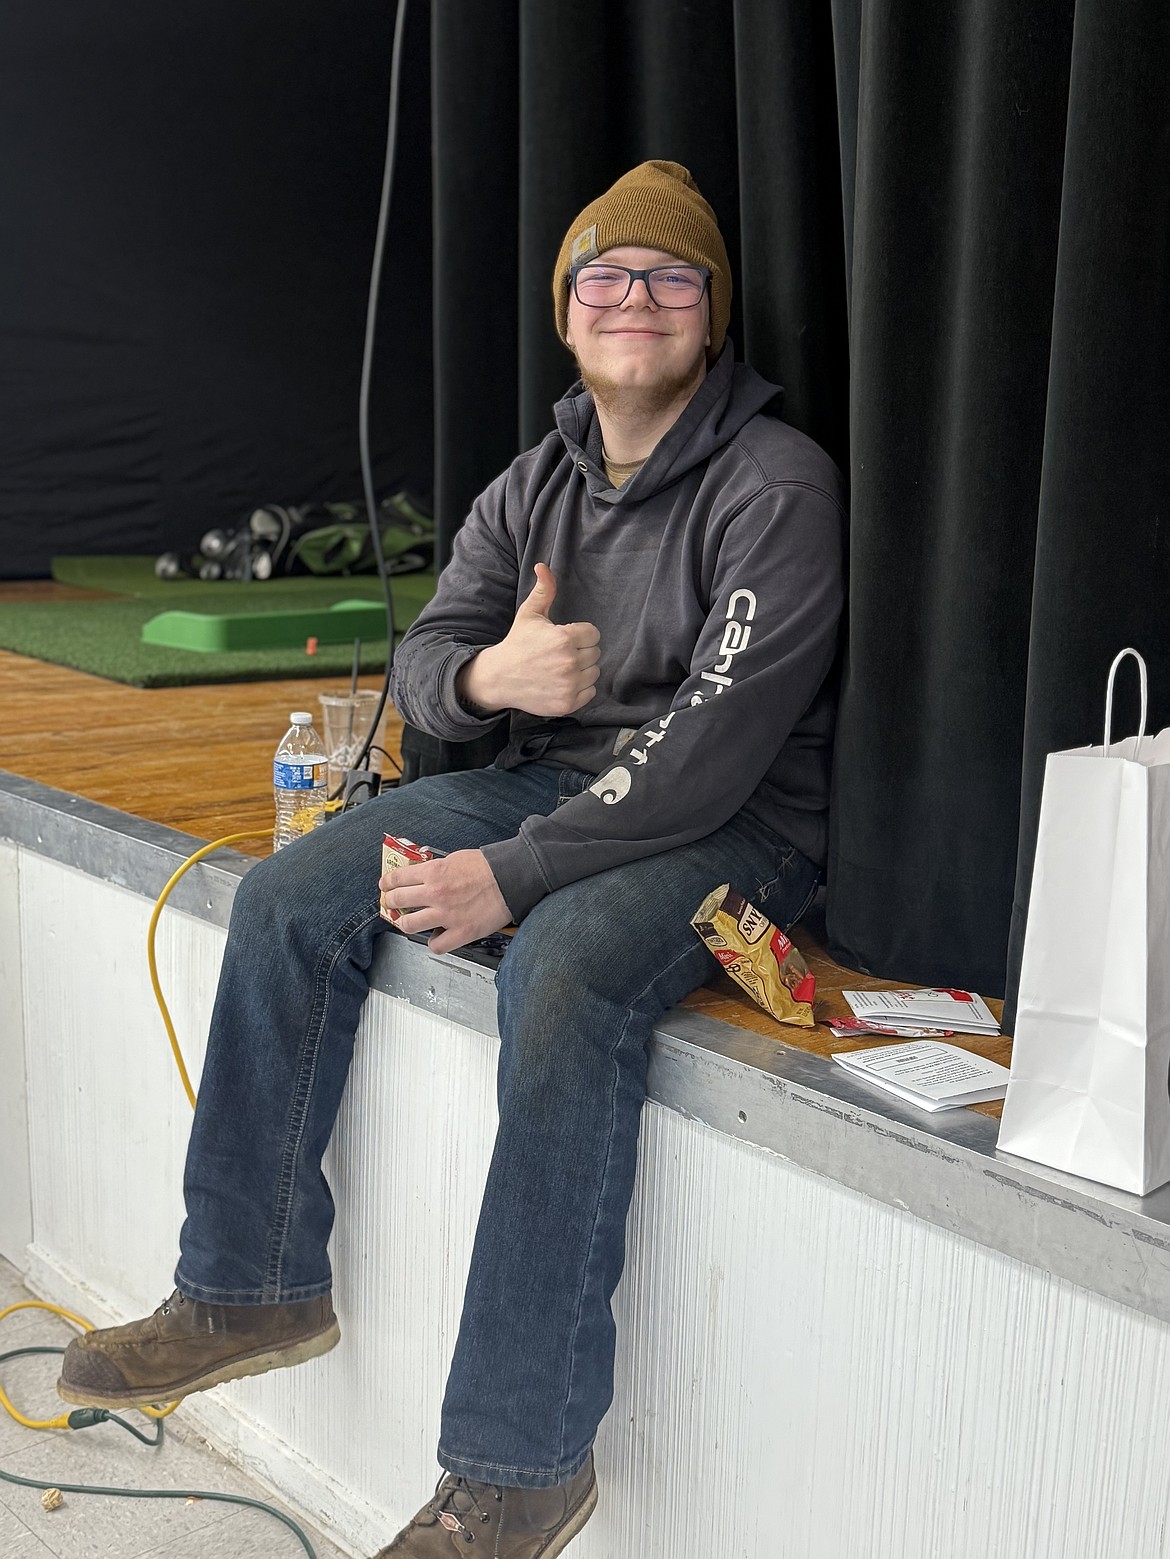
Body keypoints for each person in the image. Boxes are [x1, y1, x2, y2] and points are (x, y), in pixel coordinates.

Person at [56, 160, 846, 1557]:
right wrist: (493, 676)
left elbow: (714, 746)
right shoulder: (530, 484)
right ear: (566, 314)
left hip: (733, 828)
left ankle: (515, 1467)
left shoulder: (773, 483)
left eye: (672, 279)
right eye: (606, 276)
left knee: (563, 968)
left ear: (710, 318)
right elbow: (423, 665)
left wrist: (517, 873)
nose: (636, 299)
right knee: (294, 893)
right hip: (550, 780)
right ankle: (249, 1286)